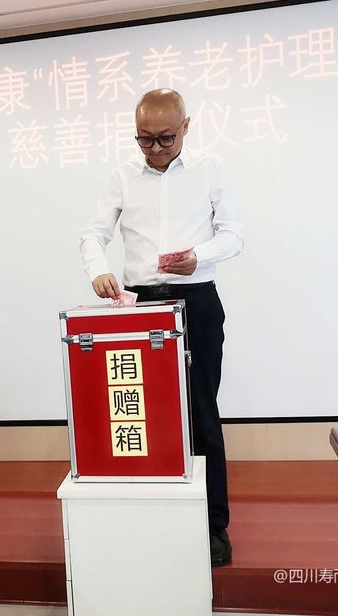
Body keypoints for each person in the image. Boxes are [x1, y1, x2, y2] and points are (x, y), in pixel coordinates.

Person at [79, 88, 244, 567]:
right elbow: (92, 234)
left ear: (186, 127)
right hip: (140, 304)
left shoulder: (210, 169)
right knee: (143, 415)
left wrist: (199, 257)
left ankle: (213, 526)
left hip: (197, 301)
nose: (154, 149)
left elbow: (234, 235)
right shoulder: (122, 177)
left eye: (165, 138)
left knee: (201, 412)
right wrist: (98, 270)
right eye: (144, 139)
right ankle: (154, 516)